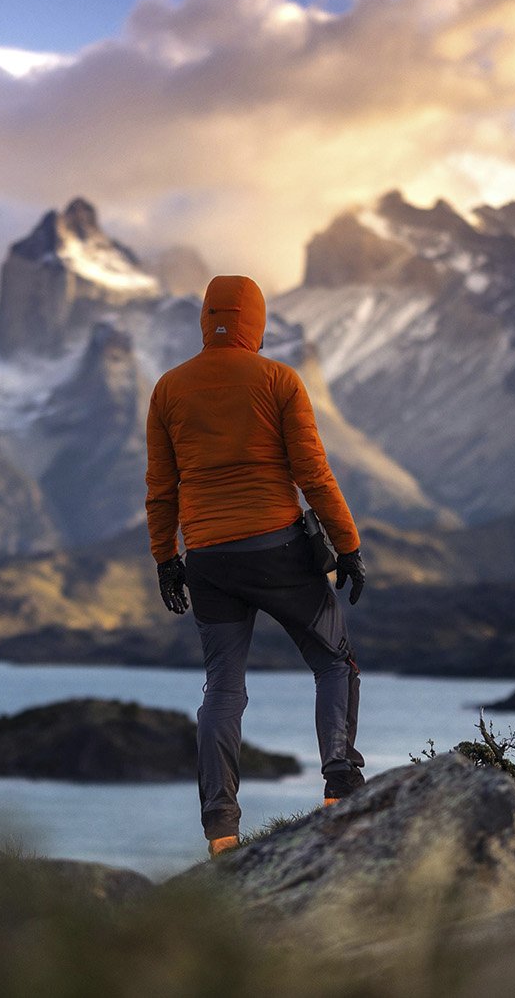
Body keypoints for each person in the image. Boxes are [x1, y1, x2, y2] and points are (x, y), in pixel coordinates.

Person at [144, 274, 368, 858]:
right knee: (333, 661)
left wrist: (168, 562)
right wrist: (347, 546)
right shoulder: (278, 380)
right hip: (277, 550)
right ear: (256, 324)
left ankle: (221, 829)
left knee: (223, 690)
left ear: (206, 319)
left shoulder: (168, 389)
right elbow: (313, 474)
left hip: (209, 559)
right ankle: (340, 787)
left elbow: (160, 490)